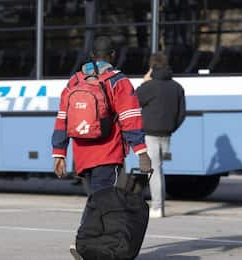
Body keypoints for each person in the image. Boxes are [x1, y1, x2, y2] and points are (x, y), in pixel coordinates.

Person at [51, 35, 152, 260]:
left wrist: (59, 152)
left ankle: (92, 246)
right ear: (113, 55)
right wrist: (141, 151)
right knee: (103, 201)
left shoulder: (74, 81)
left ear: (91, 56)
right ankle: (87, 245)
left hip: (82, 155)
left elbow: (62, 118)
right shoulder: (118, 81)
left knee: (97, 199)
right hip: (108, 153)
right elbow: (130, 118)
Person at [135, 51, 186, 218]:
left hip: (150, 135)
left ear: (151, 67)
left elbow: (134, 101)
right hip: (167, 135)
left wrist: (144, 81)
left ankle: (157, 207)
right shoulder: (177, 87)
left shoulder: (149, 87)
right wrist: (171, 128)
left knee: (154, 171)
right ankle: (159, 205)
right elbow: (181, 114)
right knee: (159, 170)